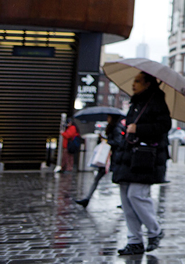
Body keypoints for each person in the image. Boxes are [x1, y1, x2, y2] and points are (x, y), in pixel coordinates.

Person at [111, 71, 171, 256]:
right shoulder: (136, 102)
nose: (133, 84)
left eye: (138, 81)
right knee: (126, 199)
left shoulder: (156, 101)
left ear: (148, 84)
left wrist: (139, 128)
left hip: (145, 158)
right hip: (129, 156)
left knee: (137, 195)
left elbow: (164, 126)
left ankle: (155, 230)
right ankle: (134, 240)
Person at [76, 114, 123, 207]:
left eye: (109, 117)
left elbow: (118, 142)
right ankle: (87, 198)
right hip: (107, 158)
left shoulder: (117, 129)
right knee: (98, 179)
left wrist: (107, 141)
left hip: (112, 159)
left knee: (119, 181)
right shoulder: (111, 128)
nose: (107, 119)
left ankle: (124, 202)